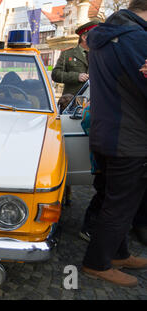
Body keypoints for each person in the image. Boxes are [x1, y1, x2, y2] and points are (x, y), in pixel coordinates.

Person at [81, 0, 147, 287]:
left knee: (113, 199)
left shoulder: (102, 37)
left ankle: (118, 254)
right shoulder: (139, 39)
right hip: (131, 137)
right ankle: (97, 263)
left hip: (107, 131)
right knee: (121, 206)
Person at [52, 20, 99, 96]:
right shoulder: (67, 54)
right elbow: (55, 75)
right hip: (72, 101)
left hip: (94, 101)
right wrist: (76, 77)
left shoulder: (100, 55)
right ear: (84, 37)